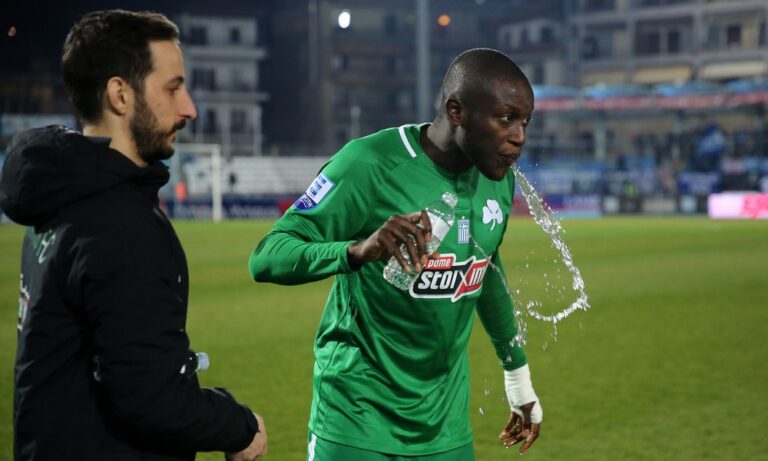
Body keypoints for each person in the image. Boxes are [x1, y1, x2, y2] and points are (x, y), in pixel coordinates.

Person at [249, 48, 542, 460]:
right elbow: (266, 256)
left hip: (446, 428)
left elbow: (485, 268)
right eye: (506, 118)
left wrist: (518, 378)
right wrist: (357, 251)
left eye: (525, 121)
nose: (519, 136)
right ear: (456, 111)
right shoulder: (369, 163)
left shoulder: (496, 175)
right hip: (356, 419)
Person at [0, 10, 267, 461]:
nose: (189, 108)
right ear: (120, 94)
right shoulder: (119, 223)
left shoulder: (59, 198)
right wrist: (238, 426)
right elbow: (150, 398)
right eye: (172, 88)